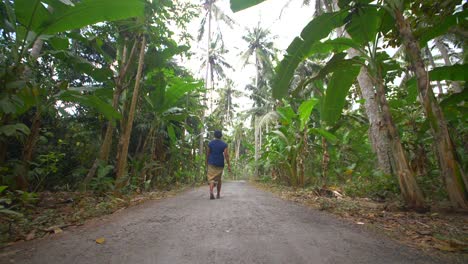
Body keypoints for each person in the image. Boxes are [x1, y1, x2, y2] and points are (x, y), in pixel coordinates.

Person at [206, 130, 231, 200]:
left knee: (211, 178)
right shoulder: (224, 144)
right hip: (220, 163)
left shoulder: (210, 143)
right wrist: (229, 165)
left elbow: (208, 154)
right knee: (219, 179)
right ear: (221, 136)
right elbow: (226, 155)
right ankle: (218, 194)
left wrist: (206, 162)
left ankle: (211, 192)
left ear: (214, 135)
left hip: (211, 163)